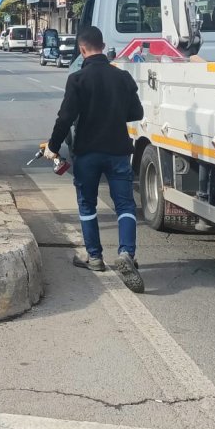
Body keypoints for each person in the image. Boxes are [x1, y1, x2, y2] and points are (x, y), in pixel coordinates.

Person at [45, 25, 145, 293]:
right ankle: (127, 253)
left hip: (88, 152)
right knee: (125, 204)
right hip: (118, 151)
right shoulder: (122, 77)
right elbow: (137, 112)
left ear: (82, 49)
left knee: (87, 204)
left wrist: (53, 147)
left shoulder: (77, 79)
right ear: (103, 46)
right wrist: (113, 113)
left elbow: (65, 117)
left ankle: (95, 257)